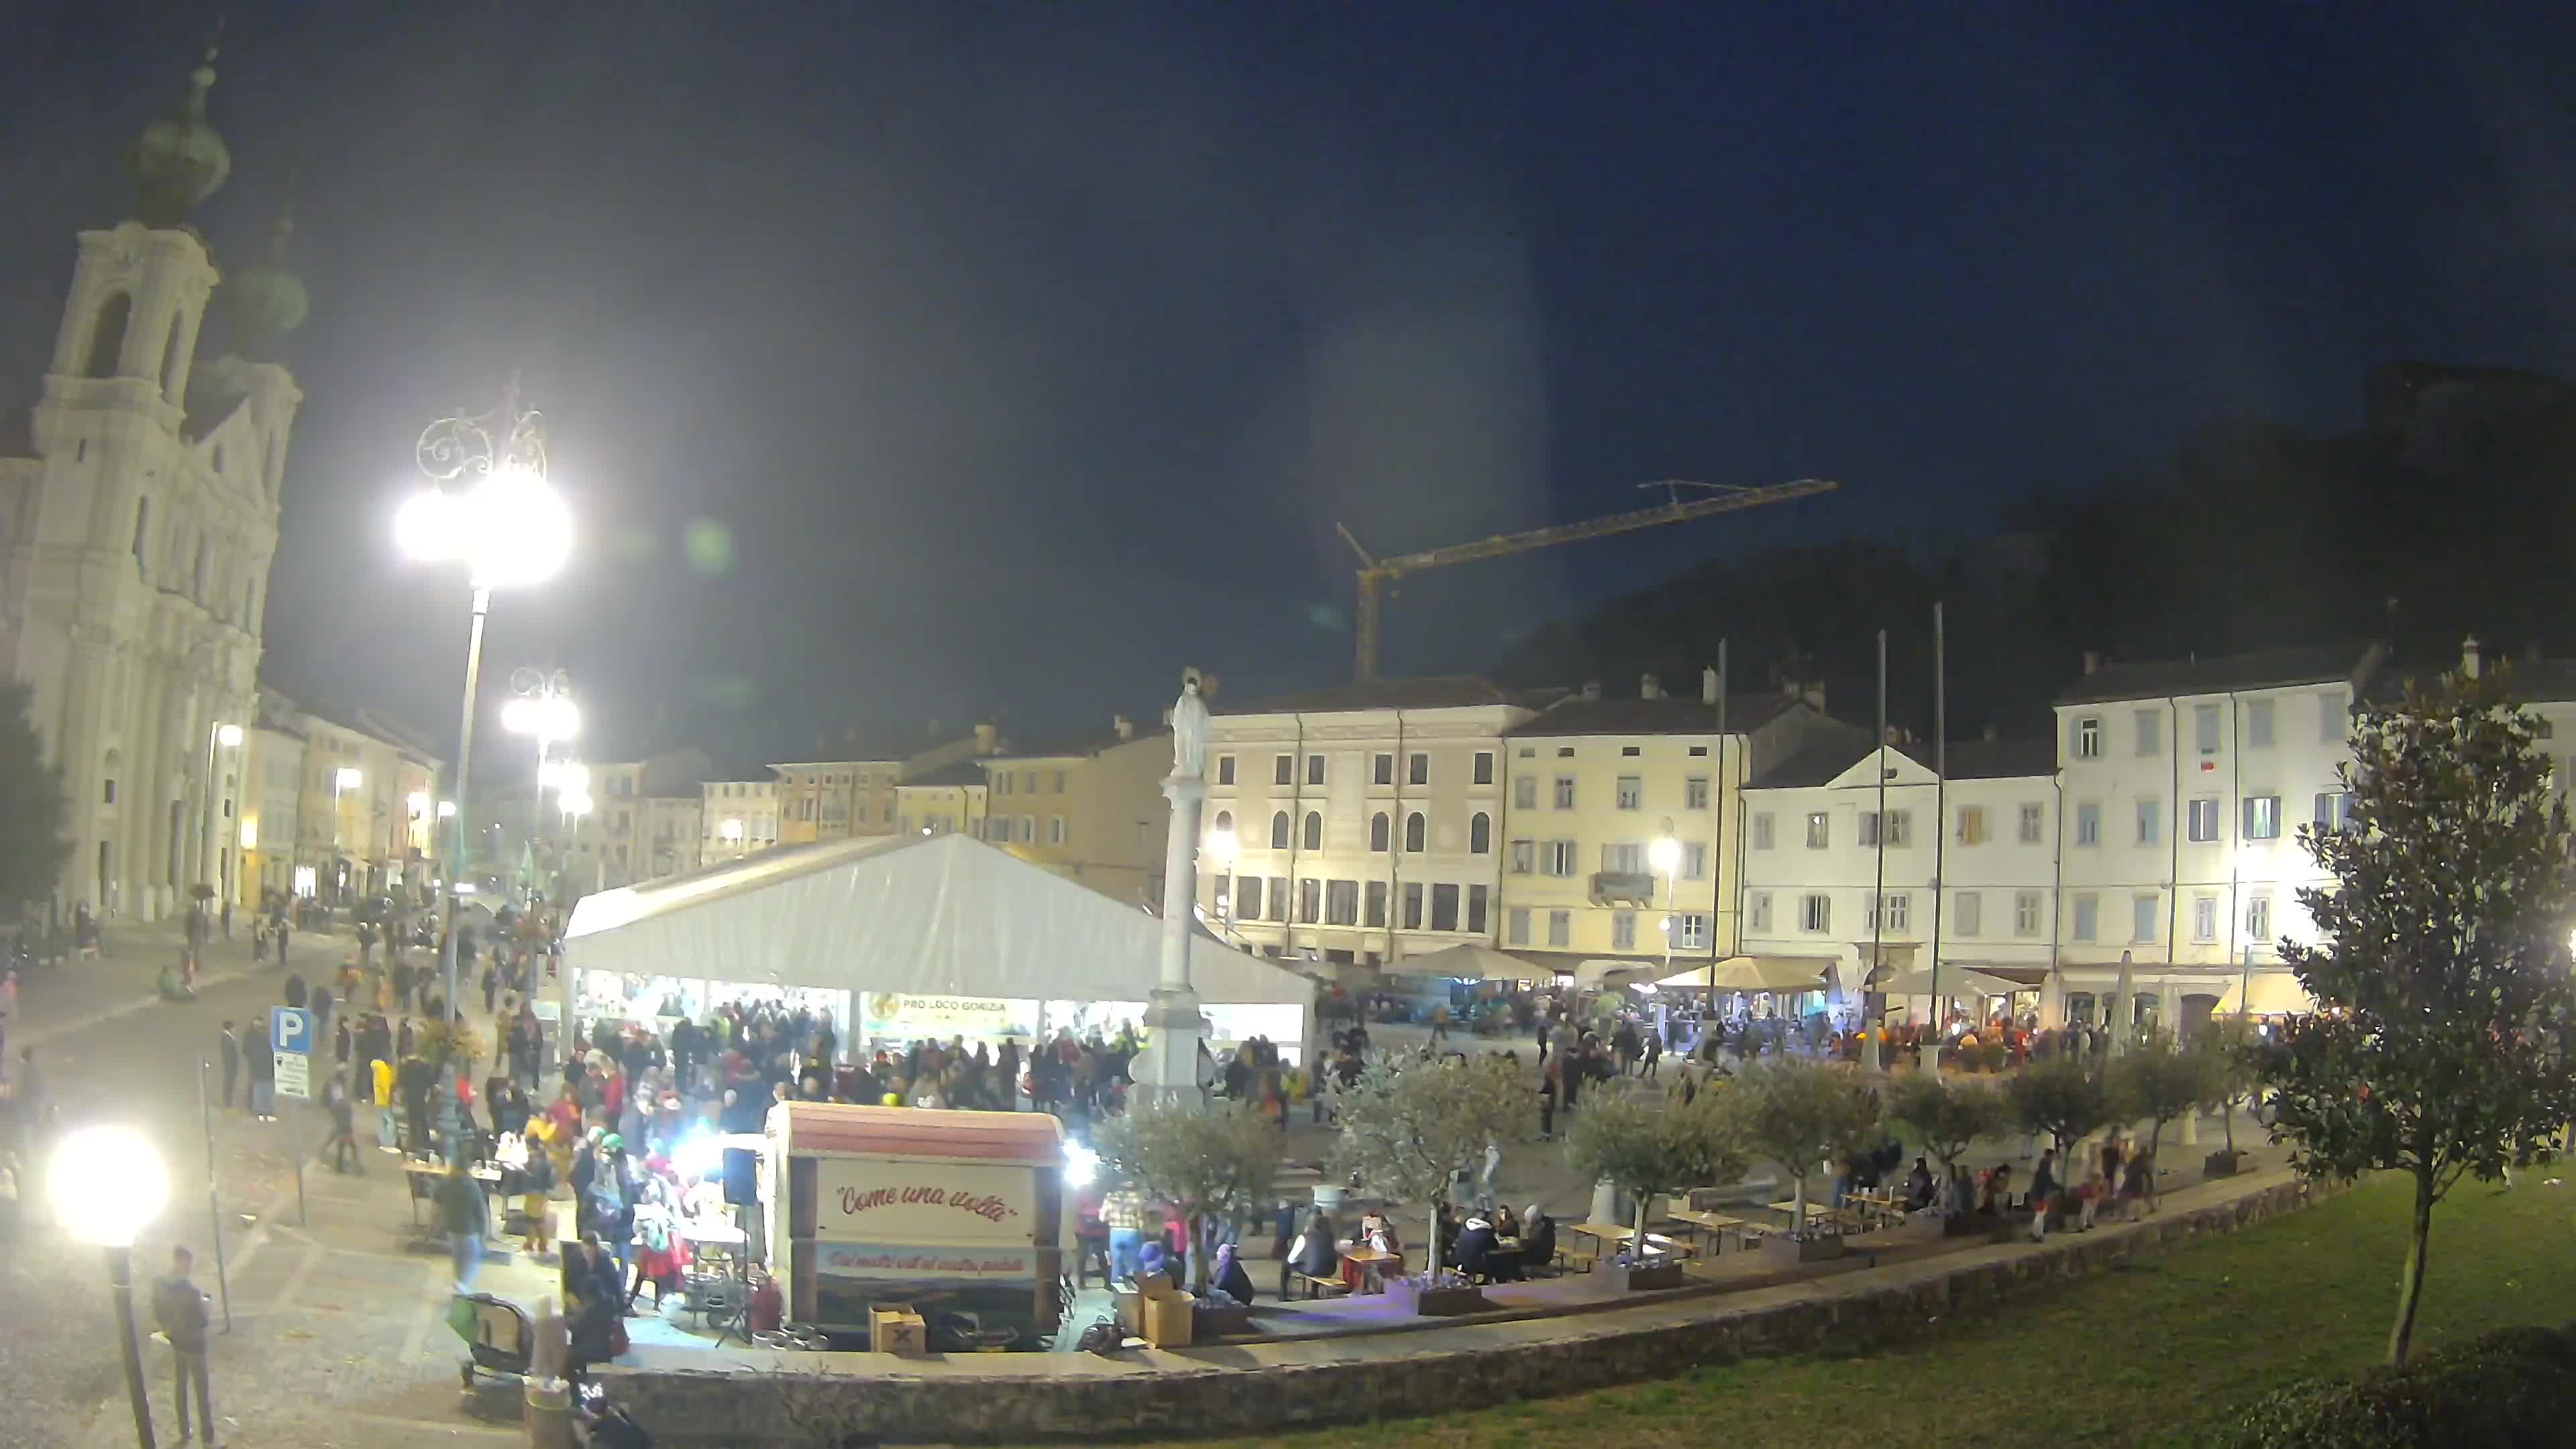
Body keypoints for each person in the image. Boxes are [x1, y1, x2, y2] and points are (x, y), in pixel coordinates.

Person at [151, 1244, 215, 1447]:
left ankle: (184, 1431)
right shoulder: (191, 1291)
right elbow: (202, 1320)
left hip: (177, 1341)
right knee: (202, 1391)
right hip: (195, 1344)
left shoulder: (160, 1283)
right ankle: (207, 1438)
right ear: (183, 1262)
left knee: (181, 1388)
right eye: (189, 1263)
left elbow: (158, 1310)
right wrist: (206, 1304)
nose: (190, 1267)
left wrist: (168, 1329)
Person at [436, 1161, 488, 1293]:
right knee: (471, 1263)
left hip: (452, 1229)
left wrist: (433, 1227)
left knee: (459, 1261)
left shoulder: (446, 1183)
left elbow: (437, 1205)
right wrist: (483, 1233)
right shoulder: (472, 1186)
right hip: (469, 1230)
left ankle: (459, 1287)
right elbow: (480, 1212)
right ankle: (461, 1290)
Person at [322, 1069, 362, 1174]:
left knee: (342, 1143)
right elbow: (336, 1105)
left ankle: (342, 1165)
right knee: (347, 1145)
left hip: (342, 1122)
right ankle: (351, 1167)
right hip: (344, 1124)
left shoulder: (337, 1088)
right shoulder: (336, 1091)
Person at [1211, 1239, 1256, 1304]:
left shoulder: (1232, 1268)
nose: (1217, 1254)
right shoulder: (1226, 1266)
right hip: (1236, 1299)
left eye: (1219, 1252)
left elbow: (1222, 1286)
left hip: (1237, 1302)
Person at [218, 1021, 241, 1112]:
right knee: (229, 1085)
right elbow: (228, 1055)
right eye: (234, 1028)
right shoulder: (227, 1039)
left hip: (230, 1066)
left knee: (230, 1085)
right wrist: (231, 1067)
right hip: (230, 1067)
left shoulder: (228, 1038)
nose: (235, 1029)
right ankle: (228, 1104)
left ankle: (228, 1103)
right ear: (230, 1028)